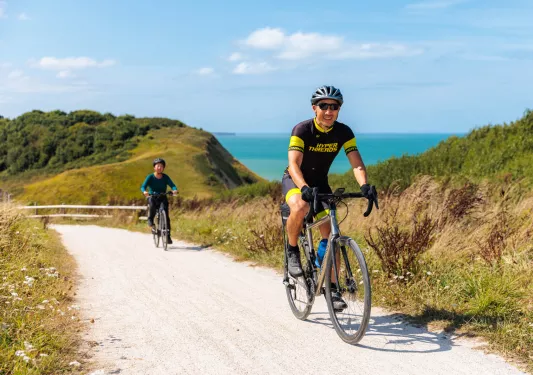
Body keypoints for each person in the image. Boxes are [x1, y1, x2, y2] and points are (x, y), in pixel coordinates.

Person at [282, 85, 378, 310]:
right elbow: (294, 164)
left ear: (339, 109)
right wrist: (304, 187)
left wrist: (364, 186)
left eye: (333, 106)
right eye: (323, 106)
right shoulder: (302, 130)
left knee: (332, 236)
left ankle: (332, 289)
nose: (328, 111)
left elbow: (356, 162)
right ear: (314, 108)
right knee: (299, 207)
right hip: (296, 181)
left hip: (321, 184)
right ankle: (293, 250)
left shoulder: (343, 132)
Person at [141, 158, 178, 244]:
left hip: (162, 196)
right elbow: (143, 186)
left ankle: (168, 236)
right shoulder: (150, 177)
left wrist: (174, 190)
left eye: (161, 166)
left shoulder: (165, 177)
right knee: (152, 206)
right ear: (154, 167)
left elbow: (173, 185)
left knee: (166, 215)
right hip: (152, 196)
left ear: (163, 168)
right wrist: (145, 191)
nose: (159, 168)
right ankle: (150, 219)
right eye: (158, 166)